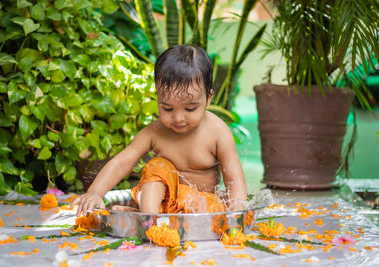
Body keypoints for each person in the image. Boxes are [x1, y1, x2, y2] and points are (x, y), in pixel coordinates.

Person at [71, 44, 247, 216]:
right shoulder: (155, 132)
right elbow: (122, 162)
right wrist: (95, 192)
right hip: (156, 203)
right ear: (158, 98)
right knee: (158, 168)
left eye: (190, 108)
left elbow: (234, 179)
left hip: (198, 207)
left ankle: (140, 214)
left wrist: (236, 213)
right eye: (167, 108)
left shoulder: (217, 132)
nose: (178, 118)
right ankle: (149, 217)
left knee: (218, 206)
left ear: (209, 98)